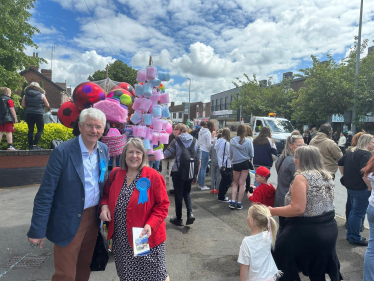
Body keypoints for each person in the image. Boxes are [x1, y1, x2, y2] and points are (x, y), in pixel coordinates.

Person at [27, 108, 109, 281]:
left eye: (98, 127)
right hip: (68, 218)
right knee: (65, 274)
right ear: (80, 126)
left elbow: (103, 184)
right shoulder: (62, 152)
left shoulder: (103, 149)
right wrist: (38, 229)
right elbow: (45, 193)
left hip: (93, 219)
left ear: (103, 129)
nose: (94, 131)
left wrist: (104, 205)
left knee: (84, 267)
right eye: (89, 126)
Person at [99, 138, 170, 281]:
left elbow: (163, 205)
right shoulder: (115, 174)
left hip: (143, 235)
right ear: (124, 155)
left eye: (138, 152)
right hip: (121, 238)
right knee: (128, 275)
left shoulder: (153, 176)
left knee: (156, 275)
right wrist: (104, 206)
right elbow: (105, 195)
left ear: (143, 155)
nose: (134, 156)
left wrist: (151, 224)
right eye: (130, 152)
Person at [270, 146, 342, 280]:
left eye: (296, 157)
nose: (294, 161)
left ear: (303, 159)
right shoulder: (327, 176)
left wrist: (272, 211)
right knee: (317, 266)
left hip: (308, 229)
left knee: (279, 251)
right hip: (329, 228)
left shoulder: (302, 178)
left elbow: (297, 209)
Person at [338, 134, 374, 246]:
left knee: (354, 212)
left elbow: (340, 162)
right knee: (358, 213)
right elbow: (365, 174)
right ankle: (354, 237)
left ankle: (351, 235)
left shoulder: (352, 151)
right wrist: (370, 187)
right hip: (361, 188)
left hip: (351, 187)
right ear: (367, 142)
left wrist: (344, 175)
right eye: (373, 142)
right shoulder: (366, 155)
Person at [164, 123, 201, 226]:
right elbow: (199, 159)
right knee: (187, 192)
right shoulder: (195, 141)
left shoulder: (176, 141)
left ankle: (179, 219)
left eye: (175, 130)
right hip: (190, 171)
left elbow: (166, 154)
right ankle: (190, 214)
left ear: (179, 130)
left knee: (178, 194)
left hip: (177, 171)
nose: (175, 133)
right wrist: (196, 174)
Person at [238, 204, 281, 281]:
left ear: (251, 220)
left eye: (248, 215)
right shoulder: (269, 235)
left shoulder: (247, 242)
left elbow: (244, 267)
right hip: (270, 277)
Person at [274, 134, 304, 231]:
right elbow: (299, 182)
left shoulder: (282, 157)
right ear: (290, 146)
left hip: (280, 197)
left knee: (282, 228)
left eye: (304, 145)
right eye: (299, 145)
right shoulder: (292, 161)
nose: (302, 148)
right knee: (287, 230)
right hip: (287, 201)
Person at [229, 124, 254, 210]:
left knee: (235, 183)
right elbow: (252, 154)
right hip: (245, 163)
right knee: (242, 184)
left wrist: (232, 159)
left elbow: (230, 153)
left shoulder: (232, 141)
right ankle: (239, 203)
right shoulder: (248, 141)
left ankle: (232, 202)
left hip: (236, 163)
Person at [21, 82, 50, 150]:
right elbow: (47, 105)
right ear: (38, 87)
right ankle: (35, 145)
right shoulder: (41, 95)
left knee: (30, 130)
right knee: (40, 130)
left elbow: (23, 105)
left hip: (29, 113)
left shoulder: (25, 95)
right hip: (38, 113)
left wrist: (29, 105)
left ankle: (30, 146)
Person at [362, 155, 374, 280]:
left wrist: (370, 187)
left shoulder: (372, 163)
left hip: (372, 207)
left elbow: (365, 176)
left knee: (372, 247)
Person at [215, 128, 232, 202]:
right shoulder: (226, 143)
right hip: (226, 164)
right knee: (227, 180)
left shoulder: (218, 141)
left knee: (223, 180)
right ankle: (222, 196)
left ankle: (220, 195)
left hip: (221, 164)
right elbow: (229, 154)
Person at [197, 121, 213, 191]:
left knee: (200, 168)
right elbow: (209, 145)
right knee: (203, 168)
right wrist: (210, 149)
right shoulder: (208, 132)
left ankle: (200, 184)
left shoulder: (200, 131)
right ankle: (202, 185)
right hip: (205, 151)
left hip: (200, 150)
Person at [162, 125, 176, 193]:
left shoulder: (162, 134)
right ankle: (171, 187)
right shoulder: (173, 136)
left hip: (164, 154)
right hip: (172, 154)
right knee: (171, 171)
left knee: (163, 170)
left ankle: (162, 185)